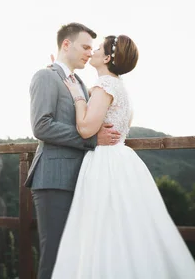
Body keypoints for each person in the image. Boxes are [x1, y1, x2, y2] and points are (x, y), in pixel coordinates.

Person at [51, 34, 195, 279]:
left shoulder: (105, 86)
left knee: (102, 230)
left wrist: (78, 97)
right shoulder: (119, 87)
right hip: (123, 161)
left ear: (109, 57)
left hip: (104, 163)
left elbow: (86, 129)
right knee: (126, 230)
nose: (93, 52)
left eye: (99, 48)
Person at [24, 23, 122, 279]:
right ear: (66, 45)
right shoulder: (46, 76)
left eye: (93, 48)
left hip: (80, 178)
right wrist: (92, 141)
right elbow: (41, 126)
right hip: (53, 178)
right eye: (85, 46)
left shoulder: (79, 82)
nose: (90, 53)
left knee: (74, 259)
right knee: (54, 257)